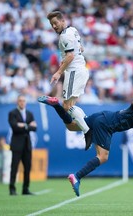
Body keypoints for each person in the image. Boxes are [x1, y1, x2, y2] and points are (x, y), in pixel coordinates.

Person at [38, 95, 133, 197]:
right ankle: (76, 177)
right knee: (103, 157)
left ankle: (56, 105)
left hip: (101, 117)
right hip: (105, 125)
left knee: (71, 126)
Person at [45, 11, 92, 150]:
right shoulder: (73, 30)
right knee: (71, 105)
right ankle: (87, 124)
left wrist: (58, 72)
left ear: (62, 20)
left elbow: (70, 56)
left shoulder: (64, 37)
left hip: (74, 72)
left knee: (66, 106)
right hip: (81, 70)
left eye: (55, 23)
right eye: (51, 24)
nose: (54, 26)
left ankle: (87, 130)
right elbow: (80, 47)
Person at [8, 95, 37, 196]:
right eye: (20, 101)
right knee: (14, 167)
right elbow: (15, 127)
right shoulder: (12, 113)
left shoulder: (29, 113)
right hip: (17, 144)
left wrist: (23, 125)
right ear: (17, 102)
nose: (22, 102)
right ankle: (12, 189)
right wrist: (28, 126)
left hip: (27, 145)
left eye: (24, 101)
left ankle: (25, 188)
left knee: (27, 167)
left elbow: (35, 128)